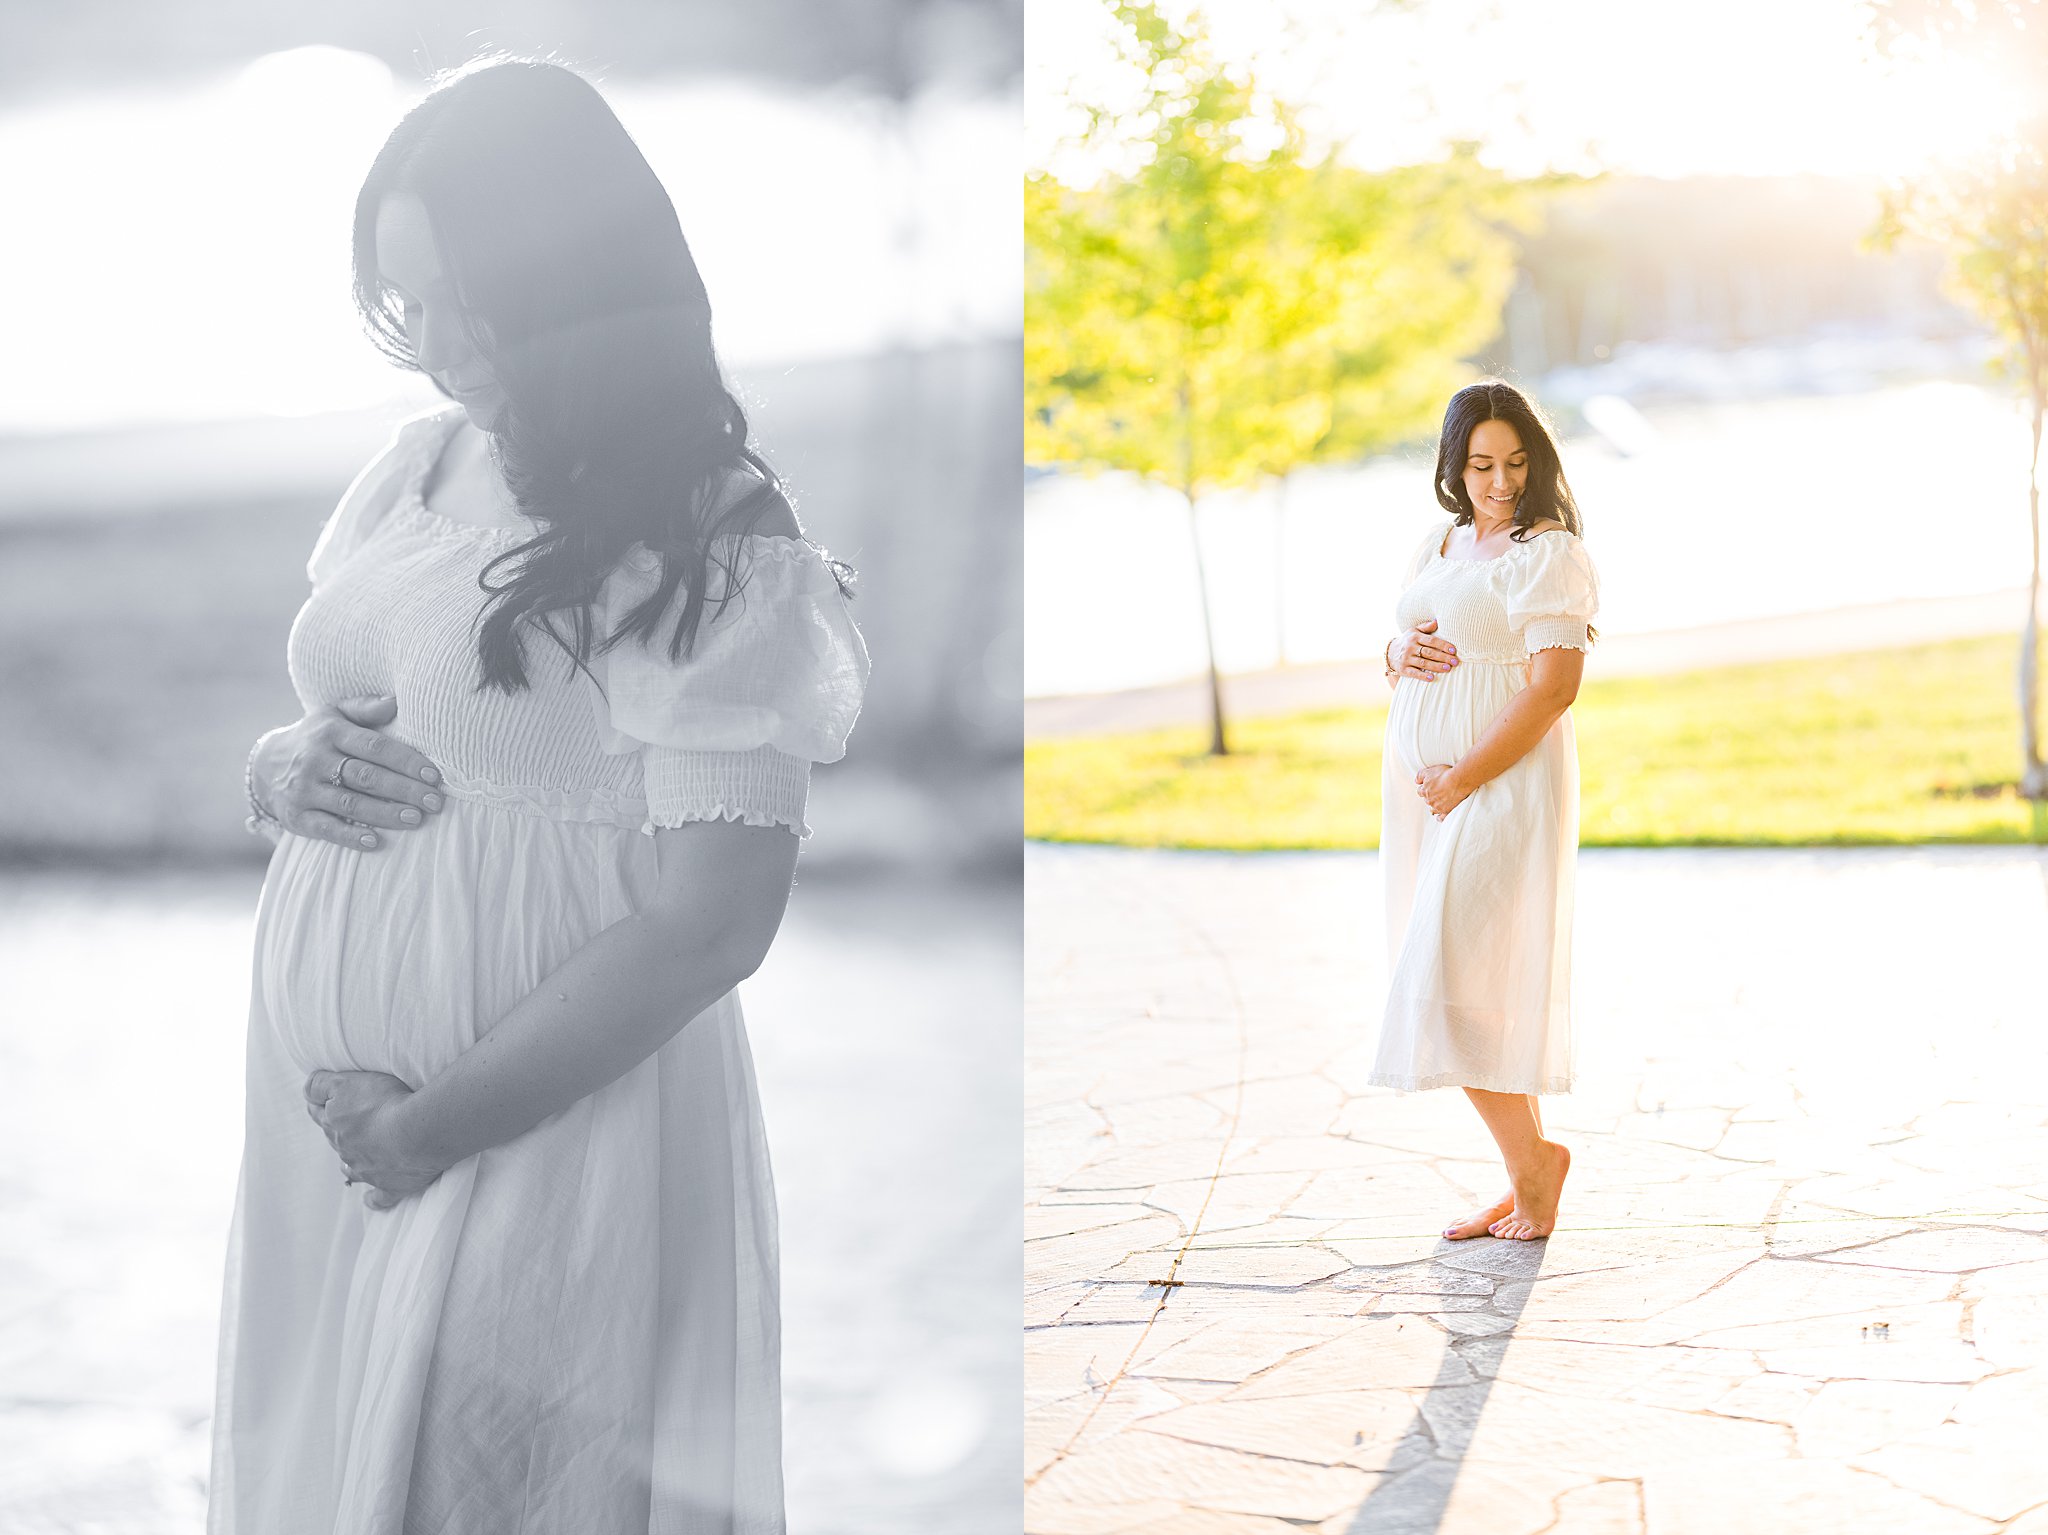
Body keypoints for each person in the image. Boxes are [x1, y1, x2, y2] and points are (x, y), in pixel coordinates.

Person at [213, 57, 869, 1532]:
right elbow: (372, 709)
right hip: (336, 1143)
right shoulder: (417, 463)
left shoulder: (716, 536)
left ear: (574, 272)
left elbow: (716, 925)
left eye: (469, 298)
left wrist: (436, 1120)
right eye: (404, 302)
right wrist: (275, 765)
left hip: (539, 1127)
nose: (438, 347)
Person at [1372, 380, 1599, 1243]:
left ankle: (1534, 1167)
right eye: (1480, 464)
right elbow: (1405, 647)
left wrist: (1463, 776)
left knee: (1450, 979)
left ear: (1536, 460)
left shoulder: (1549, 551)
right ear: (1453, 466)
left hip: (1496, 788)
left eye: (1514, 462)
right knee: (1474, 975)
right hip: (1431, 795)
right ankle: (1528, 1167)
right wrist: (1397, 649)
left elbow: (1554, 688)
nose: (1500, 481)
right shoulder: (1441, 540)